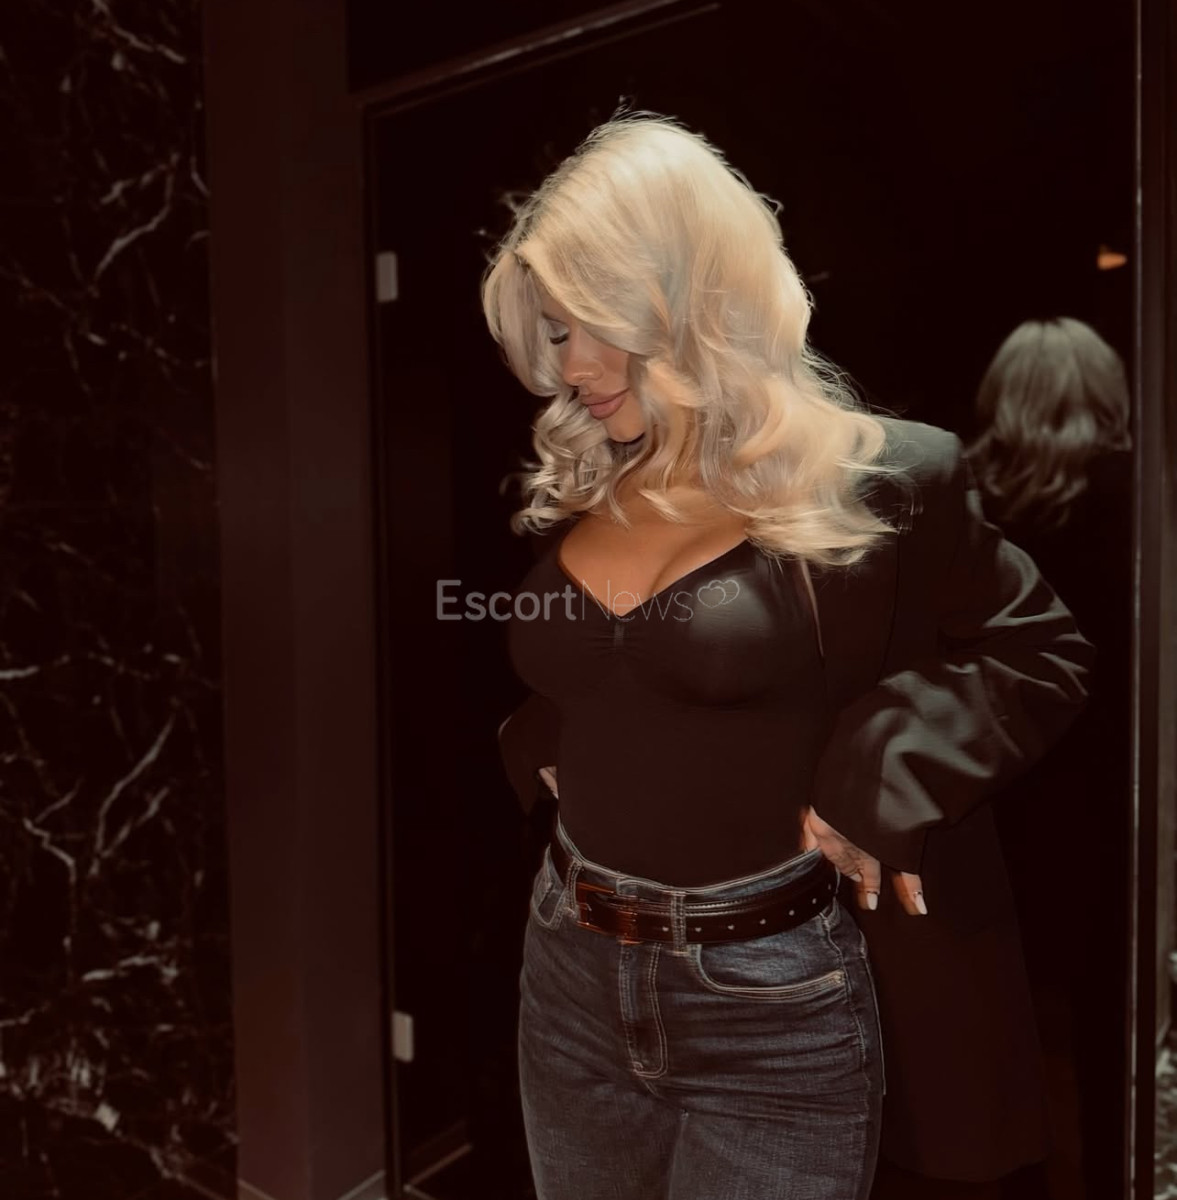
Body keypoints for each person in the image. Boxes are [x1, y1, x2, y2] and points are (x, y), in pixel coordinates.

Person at [484, 111, 1093, 1200]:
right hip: (568, 962)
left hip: (767, 998)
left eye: (589, 326)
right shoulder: (591, 477)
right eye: (554, 331)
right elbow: (608, 665)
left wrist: (880, 766)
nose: (568, 367)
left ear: (684, 297)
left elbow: (1038, 650)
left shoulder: (882, 478)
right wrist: (561, 735)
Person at [966, 317, 1133, 1200]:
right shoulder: (1136, 493)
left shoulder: (962, 495)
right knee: (1114, 1001)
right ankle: (1114, 1171)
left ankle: (1014, 1180)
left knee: (1000, 1011)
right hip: (1111, 781)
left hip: (995, 778)